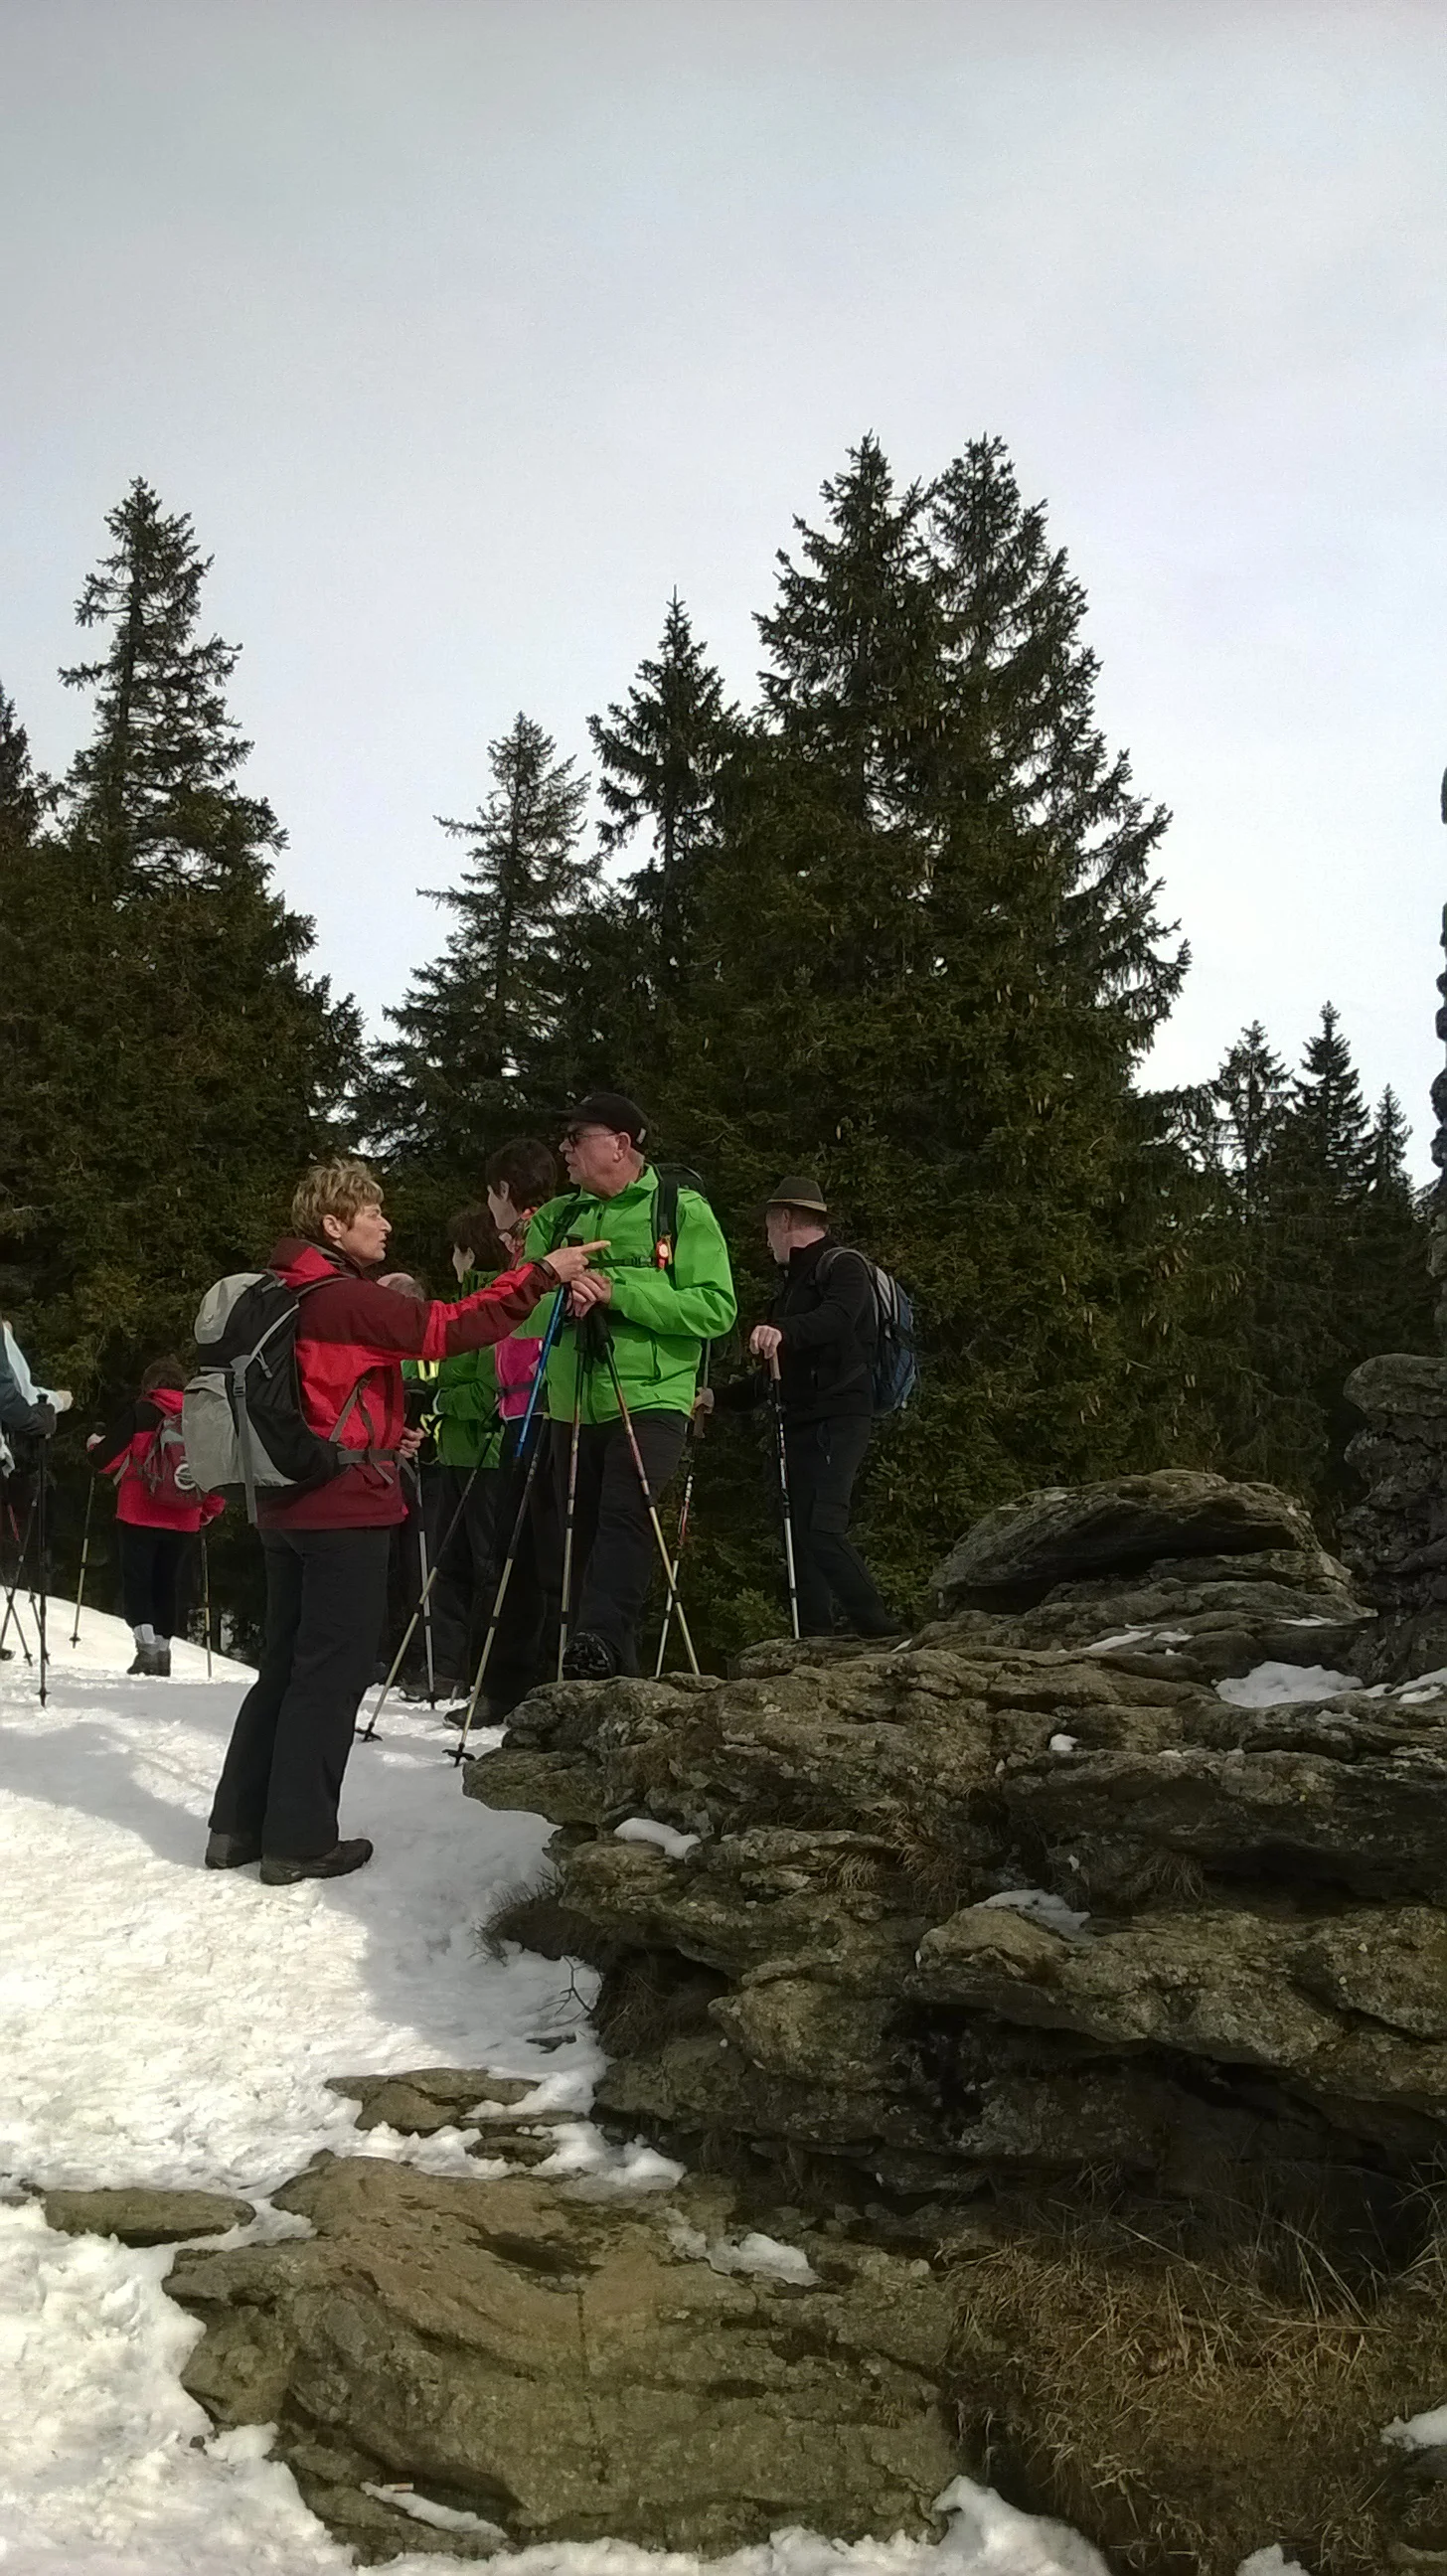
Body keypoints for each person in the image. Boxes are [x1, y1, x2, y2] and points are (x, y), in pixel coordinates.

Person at [205, 1156, 601, 1885]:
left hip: (283, 1500)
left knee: (286, 1665)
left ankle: (236, 1828)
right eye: (372, 1213)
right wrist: (541, 1273)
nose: (386, 1224)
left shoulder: (278, 1291)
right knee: (332, 1672)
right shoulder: (344, 1299)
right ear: (333, 1225)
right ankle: (299, 1840)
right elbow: (449, 1327)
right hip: (343, 1502)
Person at [521, 1093, 735, 1683]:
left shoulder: (680, 1210)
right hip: (571, 1401)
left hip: (653, 1396)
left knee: (625, 1518)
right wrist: (560, 1298)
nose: (564, 1148)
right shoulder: (553, 1219)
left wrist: (617, 1293)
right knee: (577, 1534)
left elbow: (716, 1309)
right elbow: (518, 1313)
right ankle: (607, 1669)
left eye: (576, 1137)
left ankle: (594, 1642)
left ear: (620, 1144)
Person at [706, 1175, 896, 1639]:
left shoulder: (844, 1266)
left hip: (839, 1417)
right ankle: (816, 1637)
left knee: (822, 1527)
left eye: (768, 1226)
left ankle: (882, 1631)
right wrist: (717, 1399)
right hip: (802, 1420)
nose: (765, 1238)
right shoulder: (792, 1286)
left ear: (785, 1219)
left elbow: (837, 1318)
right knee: (802, 1533)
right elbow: (776, 1374)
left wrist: (784, 1330)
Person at [402, 1213, 509, 1699]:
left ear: (469, 1253)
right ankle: (447, 1671)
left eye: (456, 1251)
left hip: (490, 1457)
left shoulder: (493, 1306)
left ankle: (485, 1674)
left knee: (485, 1567)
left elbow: (488, 1392)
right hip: (456, 1455)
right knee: (450, 1566)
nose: (452, 1260)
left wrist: (441, 1400)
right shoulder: (466, 1307)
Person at [87, 1358, 225, 1676]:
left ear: (149, 1385)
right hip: (185, 1516)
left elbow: (106, 1460)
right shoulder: (199, 1417)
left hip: (139, 1512)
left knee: (138, 1581)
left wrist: (94, 1446)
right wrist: (209, 1509)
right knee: (168, 1582)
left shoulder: (141, 1413)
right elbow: (217, 1467)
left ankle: (146, 1648)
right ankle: (163, 1651)